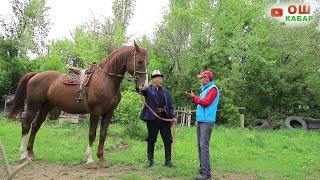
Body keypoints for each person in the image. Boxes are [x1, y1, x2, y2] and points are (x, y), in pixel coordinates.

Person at [138, 70, 175, 168]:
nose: (160, 80)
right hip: (153, 118)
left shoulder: (166, 92)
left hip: (165, 118)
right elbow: (141, 90)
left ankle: (168, 161)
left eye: (161, 78)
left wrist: (172, 117)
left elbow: (170, 106)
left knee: (168, 139)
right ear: (153, 79)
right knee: (151, 139)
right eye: (158, 78)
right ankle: (150, 161)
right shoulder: (148, 90)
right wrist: (140, 87)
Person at [186, 70, 220, 180]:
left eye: (202, 78)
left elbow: (205, 103)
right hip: (201, 121)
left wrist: (193, 97)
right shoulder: (204, 90)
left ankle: (207, 174)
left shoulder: (213, 89)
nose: (201, 79)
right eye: (201, 77)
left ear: (208, 78)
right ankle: (202, 169)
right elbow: (200, 106)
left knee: (204, 146)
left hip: (207, 121)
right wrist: (197, 119)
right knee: (200, 146)